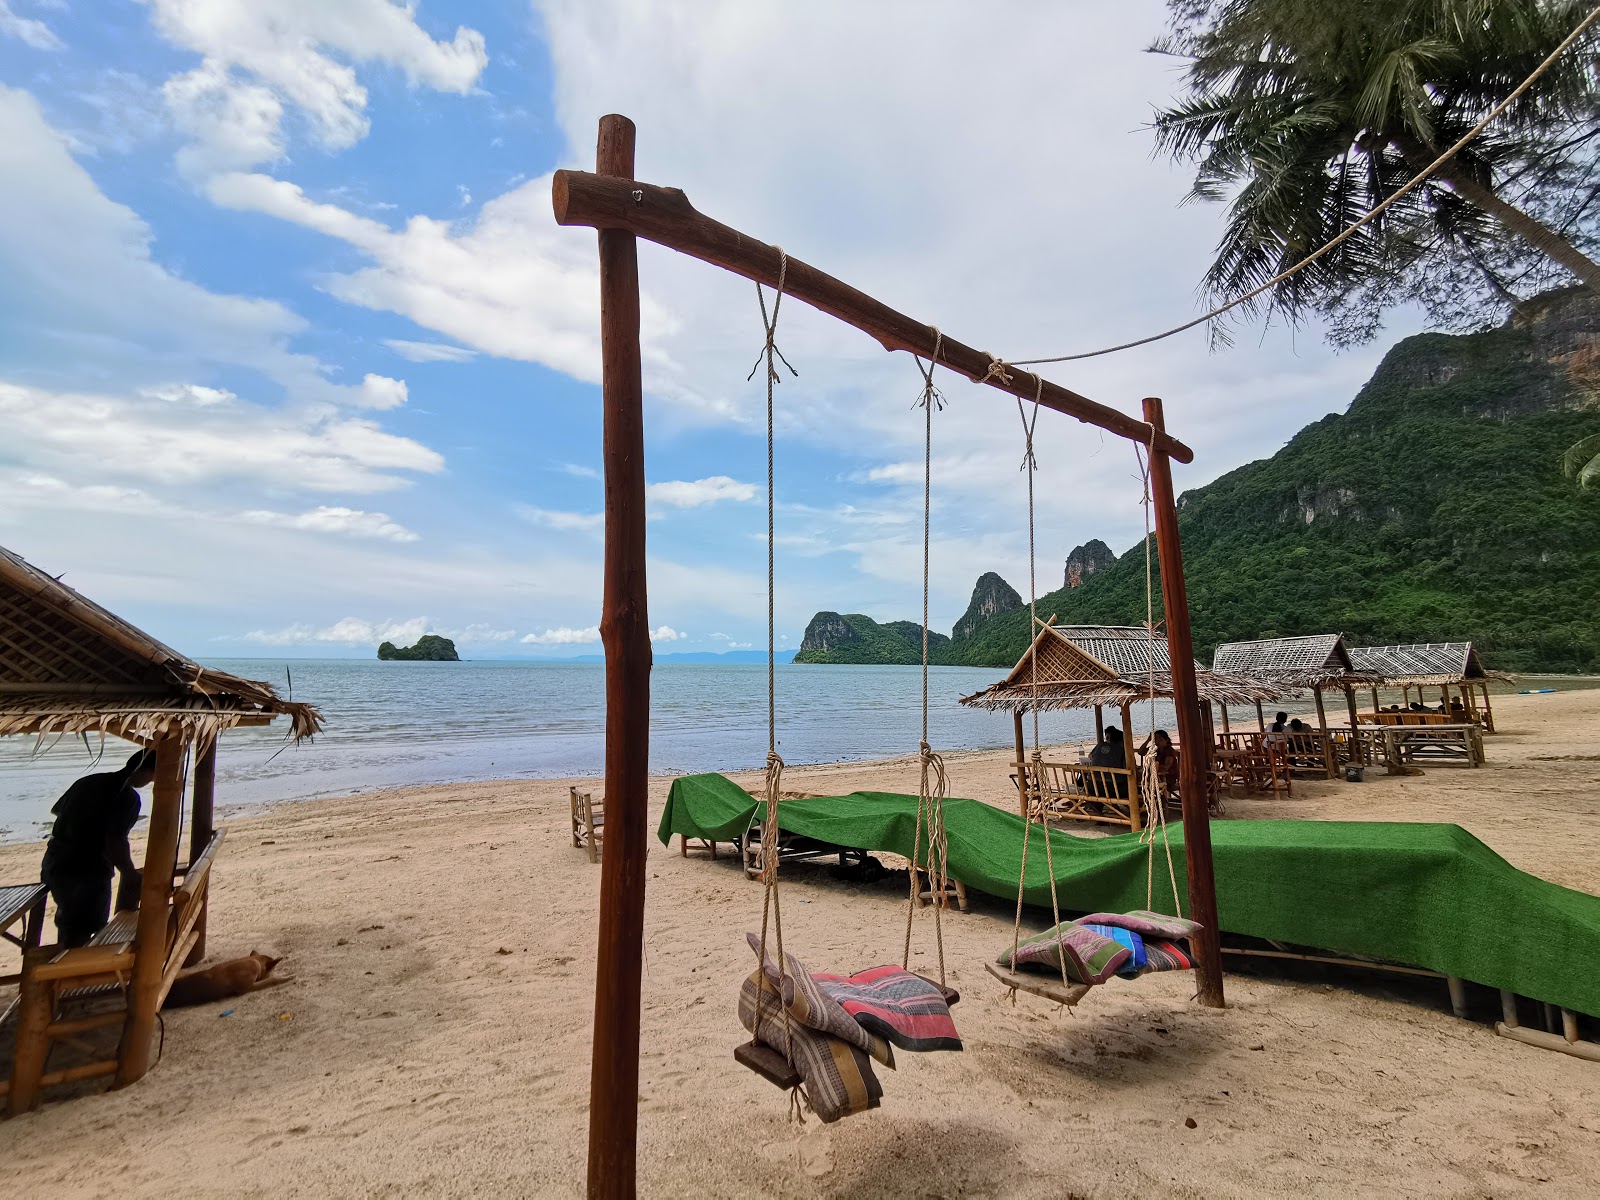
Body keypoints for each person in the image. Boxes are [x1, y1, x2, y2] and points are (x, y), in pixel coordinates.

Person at [39, 748, 154, 947]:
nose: (151, 782)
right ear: (146, 771)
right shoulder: (127, 797)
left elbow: (58, 810)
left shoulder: (89, 781)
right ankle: (72, 970)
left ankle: (65, 964)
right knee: (84, 927)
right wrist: (129, 873)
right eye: (153, 777)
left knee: (69, 922)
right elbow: (115, 841)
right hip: (87, 868)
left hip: (56, 860)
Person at [1085, 726, 1130, 798]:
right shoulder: (1121, 750)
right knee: (1133, 787)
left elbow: (1090, 756)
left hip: (1092, 788)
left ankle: (1098, 807)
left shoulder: (1100, 745)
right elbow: (1127, 768)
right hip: (1114, 790)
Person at [1137, 729, 1180, 799]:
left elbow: (1166, 767)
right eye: (1156, 738)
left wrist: (1154, 768)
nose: (1158, 740)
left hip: (1168, 778)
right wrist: (1148, 740)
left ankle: (1159, 802)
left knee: (1146, 783)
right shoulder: (1155, 749)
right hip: (1156, 776)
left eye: (1161, 738)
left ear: (1166, 740)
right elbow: (1141, 752)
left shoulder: (1169, 750)